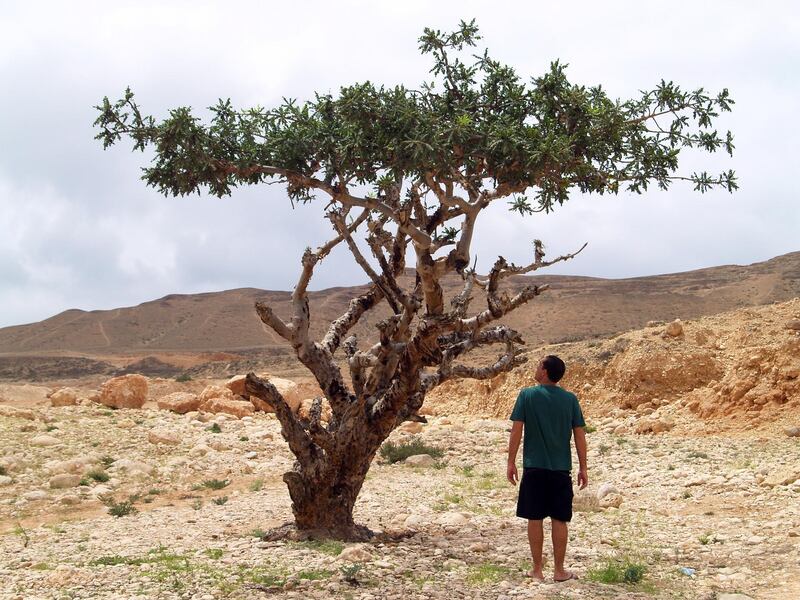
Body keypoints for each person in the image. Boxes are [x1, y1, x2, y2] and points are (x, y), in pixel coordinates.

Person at [506, 354, 588, 583]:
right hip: (561, 469)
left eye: (538, 364)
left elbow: (516, 431)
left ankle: (537, 569)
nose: (535, 367)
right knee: (559, 519)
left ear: (544, 370)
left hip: (534, 467)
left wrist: (510, 462)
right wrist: (583, 467)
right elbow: (580, 436)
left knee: (535, 518)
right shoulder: (570, 399)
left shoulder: (527, 395)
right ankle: (559, 570)